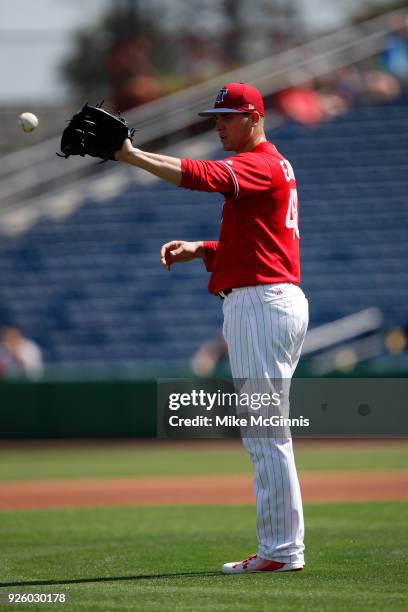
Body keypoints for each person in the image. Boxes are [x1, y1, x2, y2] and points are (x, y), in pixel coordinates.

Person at [115, 82, 309, 574]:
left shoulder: (259, 162)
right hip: (273, 296)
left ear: (254, 118)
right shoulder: (273, 165)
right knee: (269, 431)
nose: (218, 124)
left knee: (265, 433)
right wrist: (205, 249)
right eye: (215, 116)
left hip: (260, 303)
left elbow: (197, 175)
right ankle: (282, 549)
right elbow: (264, 245)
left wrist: (130, 155)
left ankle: (281, 552)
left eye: (227, 116)